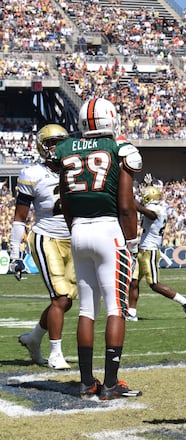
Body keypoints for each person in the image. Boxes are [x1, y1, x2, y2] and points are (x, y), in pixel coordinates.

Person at [53, 97, 143, 400]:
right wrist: (131, 241)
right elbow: (126, 204)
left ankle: (86, 382)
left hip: (78, 228)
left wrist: (73, 228)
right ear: (111, 119)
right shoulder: (120, 148)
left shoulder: (65, 148)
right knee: (116, 307)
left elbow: (64, 199)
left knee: (87, 309)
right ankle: (110, 383)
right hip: (108, 230)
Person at [13, 124, 76, 370]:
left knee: (66, 301)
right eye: (52, 143)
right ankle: (56, 353)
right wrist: (16, 254)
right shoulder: (33, 173)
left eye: (61, 142)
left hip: (73, 239)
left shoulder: (75, 170)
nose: (57, 147)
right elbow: (20, 218)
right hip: (46, 238)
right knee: (60, 297)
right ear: (42, 146)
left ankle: (34, 338)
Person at [126, 185, 186, 321]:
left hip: (150, 251)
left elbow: (145, 211)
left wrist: (128, 196)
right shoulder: (155, 207)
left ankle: (185, 301)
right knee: (133, 281)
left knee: (154, 284)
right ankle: (131, 313)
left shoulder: (156, 209)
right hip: (143, 249)